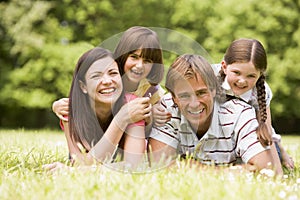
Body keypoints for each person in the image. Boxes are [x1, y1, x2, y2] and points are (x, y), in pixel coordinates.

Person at [148, 54, 282, 175]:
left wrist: (187, 167)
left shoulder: (239, 113)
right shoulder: (166, 110)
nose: (194, 104)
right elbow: (159, 164)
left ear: (213, 90)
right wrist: (233, 171)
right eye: (184, 96)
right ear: (173, 97)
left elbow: (267, 170)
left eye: (201, 93)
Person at [48, 47, 152, 170]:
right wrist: (121, 120)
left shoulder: (132, 105)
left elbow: (133, 165)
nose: (107, 81)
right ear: (83, 86)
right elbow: (79, 163)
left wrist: (122, 118)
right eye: (96, 76)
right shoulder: (69, 110)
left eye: (113, 73)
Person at [52, 26, 166, 135]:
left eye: (147, 61)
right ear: (123, 55)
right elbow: (82, 100)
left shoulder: (152, 91)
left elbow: (151, 127)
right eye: (134, 57)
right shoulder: (110, 80)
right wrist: (56, 106)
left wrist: (152, 116)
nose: (140, 65)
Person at [214, 38, 294, 170]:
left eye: (251, 76)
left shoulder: (260, 91)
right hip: (220, 138)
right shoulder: (209, 77)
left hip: (248, 137)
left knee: (269, 158)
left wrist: (278, 171)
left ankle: (282, 153)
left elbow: (266, 130)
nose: (242, 81)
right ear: (224, 66)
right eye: (236, 73)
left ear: (259, 75)